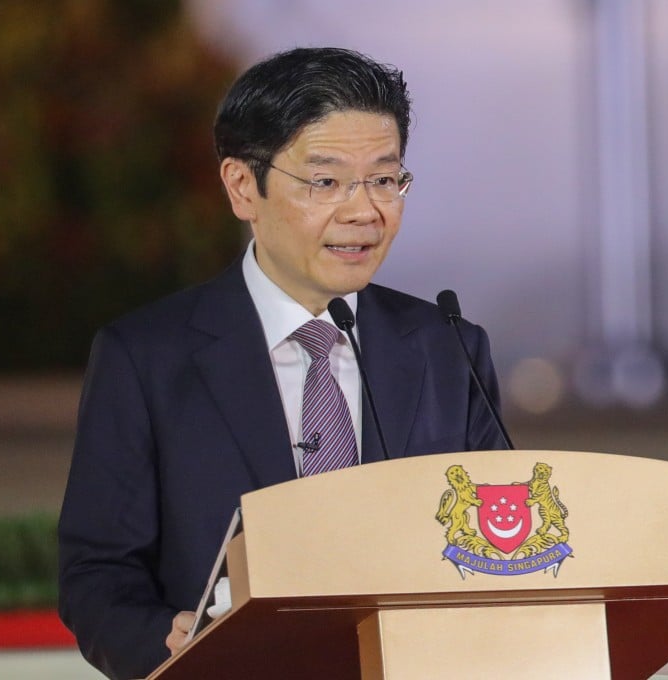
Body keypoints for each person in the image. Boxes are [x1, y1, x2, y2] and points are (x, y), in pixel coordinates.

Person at [57, 47, 508, 680]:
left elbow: (501, 548)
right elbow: (98, 575)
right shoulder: (147, 358)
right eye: (325, 182)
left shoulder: (448, 348)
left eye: (384, 180)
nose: (364, 211)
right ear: (243, 187)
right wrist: (166, 641)